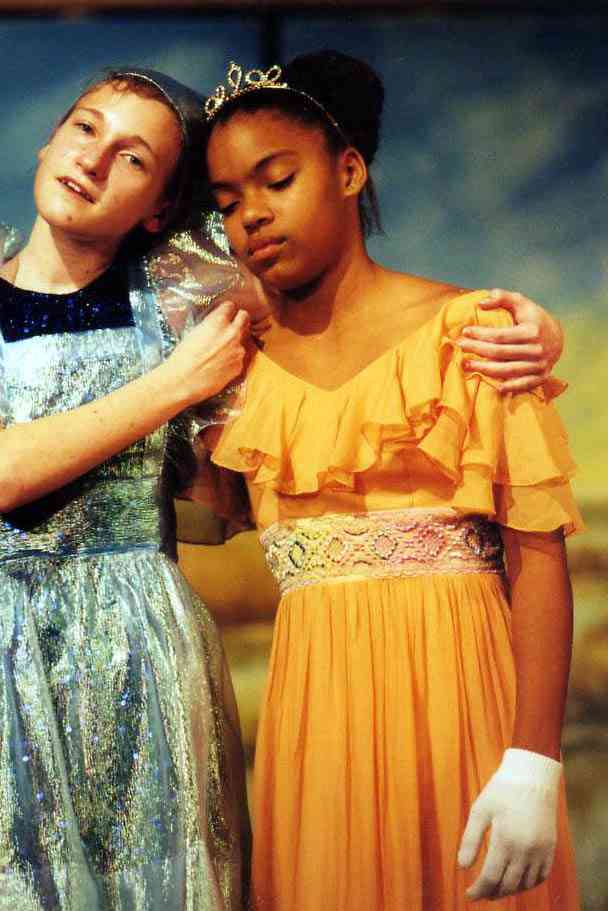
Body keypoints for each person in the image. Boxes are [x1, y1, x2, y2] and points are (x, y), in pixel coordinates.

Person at [202, 52, 582, 910]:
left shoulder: (470, 333)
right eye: (226, 201)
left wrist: (533, 758)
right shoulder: (234, 368)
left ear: (348, 171)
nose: (251, 214)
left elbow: (538, 554)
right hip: (318, 726)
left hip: (463, 706)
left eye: (276, 180)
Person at [0, 67, 252, 910]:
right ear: (49, 140)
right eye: (85, 128)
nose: (93, 159)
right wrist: (174, 386)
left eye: (132, 157)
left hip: (139, 656)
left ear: (159, 206)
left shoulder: (177, 313)